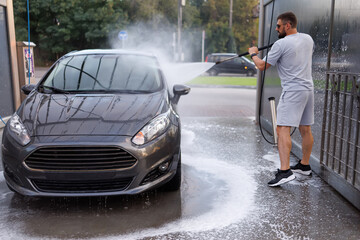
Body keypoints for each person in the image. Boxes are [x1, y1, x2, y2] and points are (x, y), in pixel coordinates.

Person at [249, 11, 314, 187]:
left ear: (287, 25)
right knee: (305, 128)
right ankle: (305, 165)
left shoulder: (280, 44)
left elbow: (262, 66)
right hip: (308, 89)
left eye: (278, 26)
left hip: (293, 91)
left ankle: (285, 171)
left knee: (282, 129)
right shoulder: (308, 39)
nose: (276, 28)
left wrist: (253, 53)